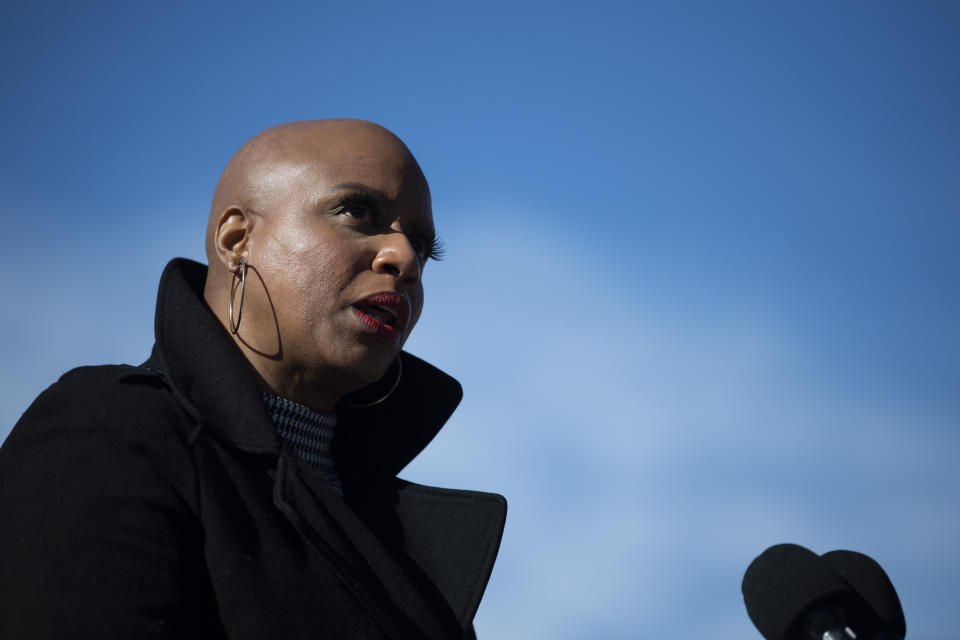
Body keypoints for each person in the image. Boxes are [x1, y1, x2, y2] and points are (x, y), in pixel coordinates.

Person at [0, 119, 506, 639]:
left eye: (422, 246)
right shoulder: (112, 433)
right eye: (357, 211)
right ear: (237, 239)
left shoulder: (408, 559)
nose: (404, 260)